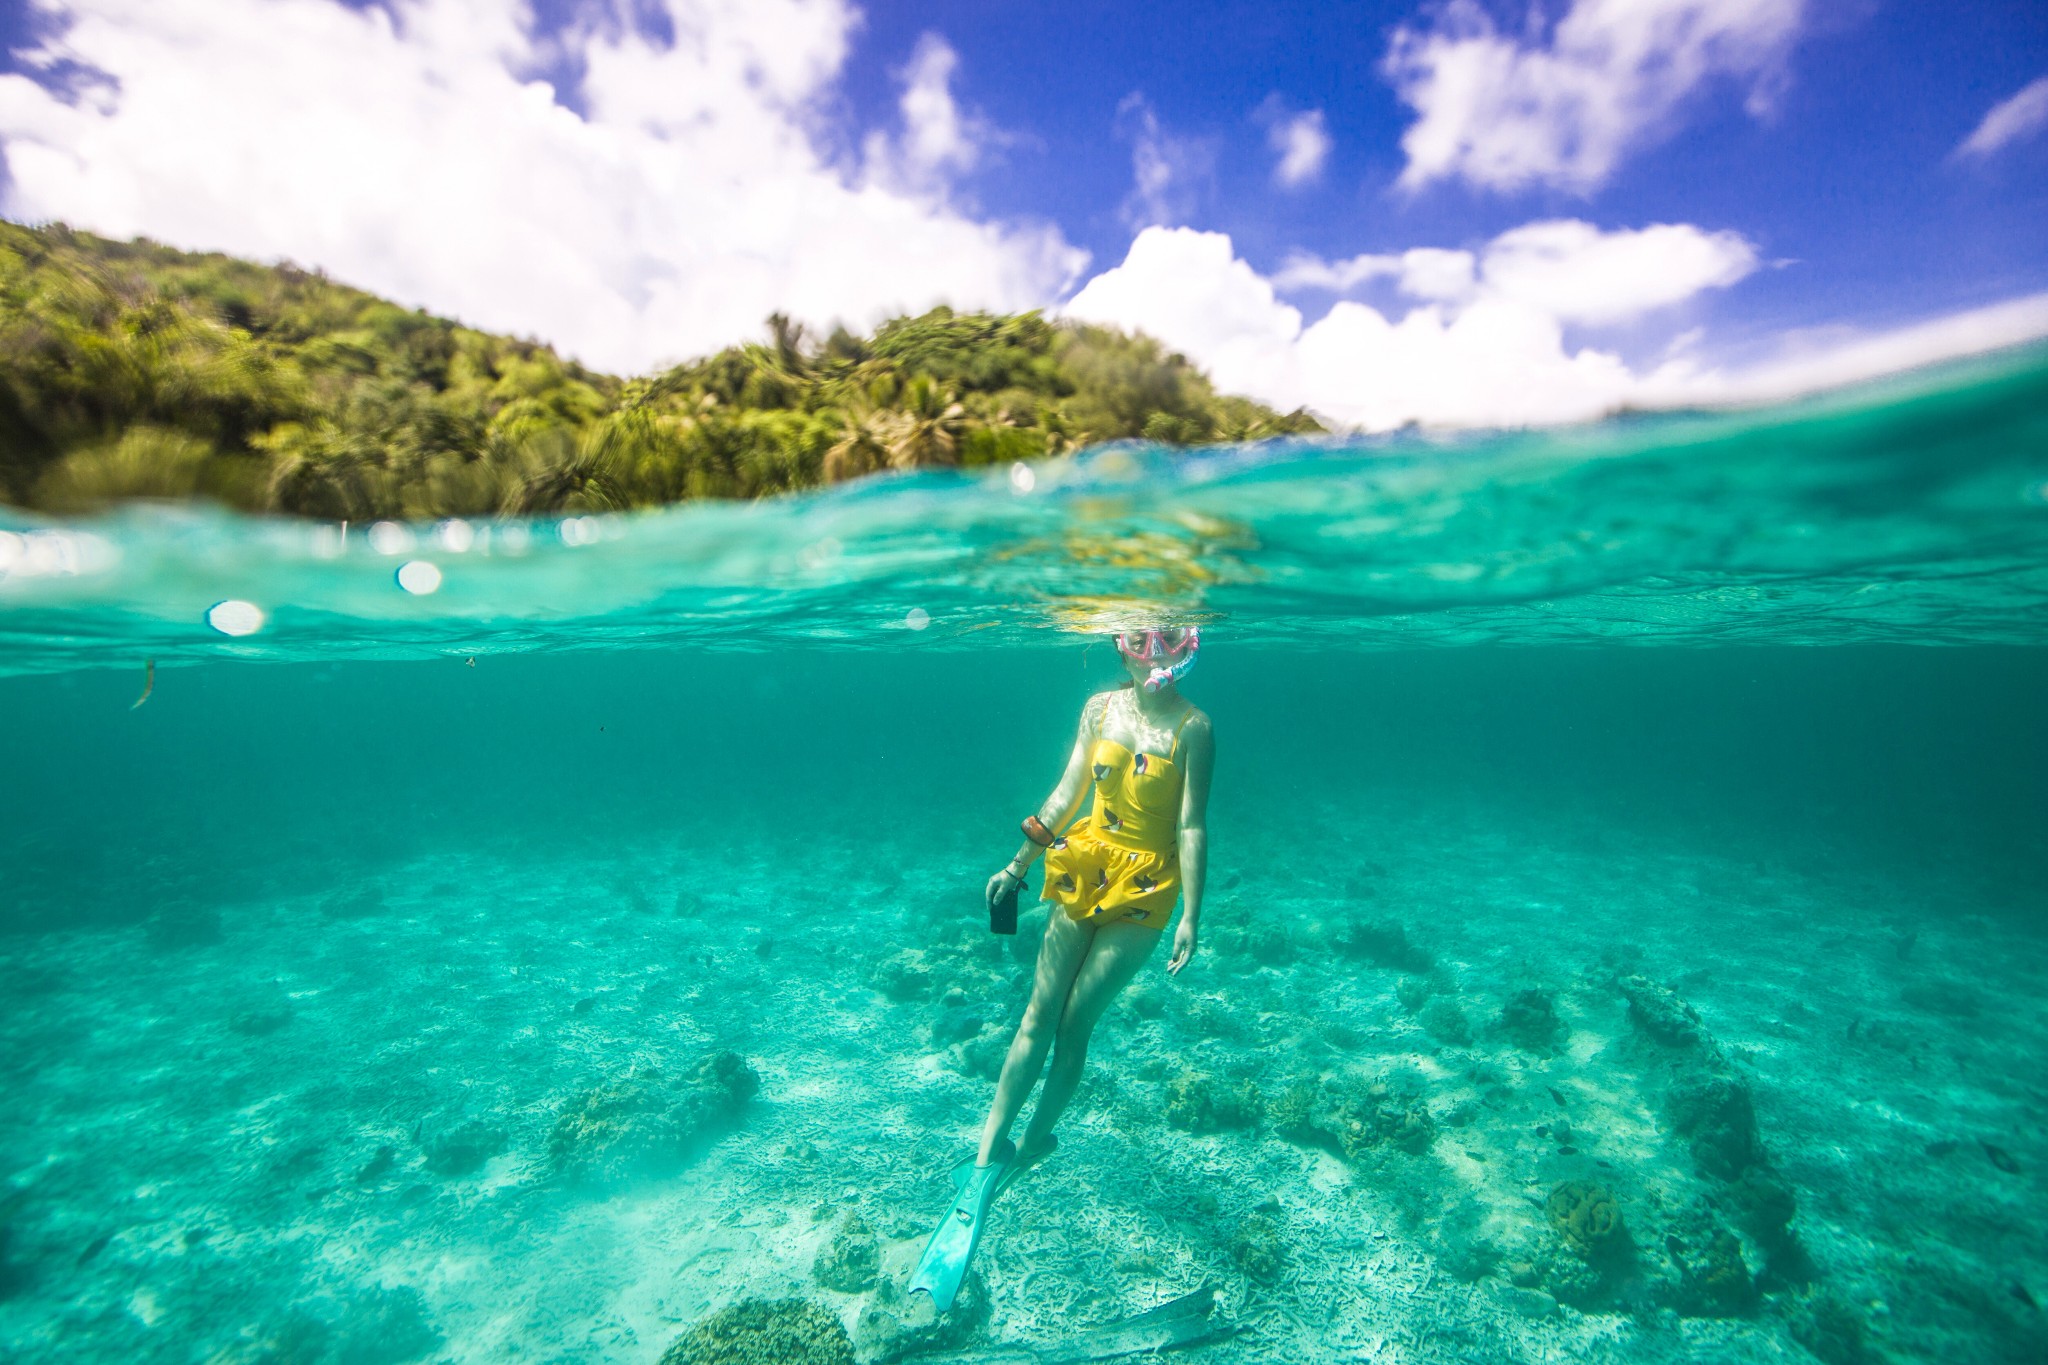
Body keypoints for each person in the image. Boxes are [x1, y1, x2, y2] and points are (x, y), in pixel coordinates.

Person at [974, 626, 1214, 1178]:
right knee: (1040, 1011)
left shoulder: (1196, 728)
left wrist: (1192, 915)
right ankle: (989, 1146)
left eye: (1171, 639)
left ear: (1189, 648)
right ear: (1119, 648)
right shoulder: (1099, 708)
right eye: (1139, 639)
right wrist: (1017, 866)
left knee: (1075, 1021)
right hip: (1085, 865)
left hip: (1149, 885)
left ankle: (1034, 1140)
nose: (1155, 651)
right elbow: (1066, 793)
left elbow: (1192, 825)